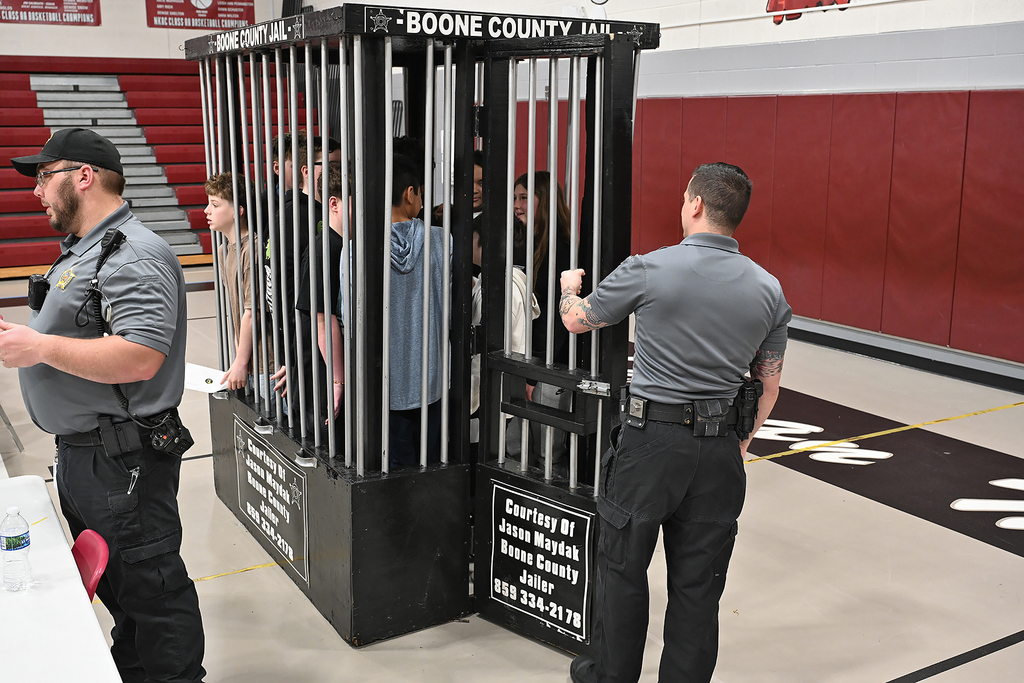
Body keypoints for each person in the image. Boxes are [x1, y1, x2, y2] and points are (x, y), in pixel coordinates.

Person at [559, 163, 791, 683]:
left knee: (622, 571)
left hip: (650, 446)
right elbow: (768, 385)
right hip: (720, 452)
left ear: (694, 205)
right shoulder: (770, 290)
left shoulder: (650, 268)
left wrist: (569, 286)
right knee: (699, 586)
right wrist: (739, 442)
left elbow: (577, 320)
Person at [0, 128, 206, 682]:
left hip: (122, 459)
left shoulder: (132, 254)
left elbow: (140, 356)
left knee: (152, 589)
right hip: (90, 457)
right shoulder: (89, 249)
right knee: (123, 590)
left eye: (44, 177)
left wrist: (37, 346)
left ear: (83, 176)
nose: (38, 192)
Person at [512, 170, 573, 476]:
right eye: (515, 197)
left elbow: (556, 320)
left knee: (549, 454)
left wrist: (533, 374)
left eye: (524, 197)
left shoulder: (560, 249)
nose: (516, 204)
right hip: (527, 363)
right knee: (520, 450)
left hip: (548, 366)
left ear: (545, 200)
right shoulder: (526, 242)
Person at [388, 153, 446, 468]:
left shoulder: (360, 246)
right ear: (411, 193)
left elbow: (346, 313)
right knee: (431, 466)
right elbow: (449, 306)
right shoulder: (441, 240)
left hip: (384, 381)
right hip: (432, 377)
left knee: (393, 471)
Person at [469, 212, 539, 451]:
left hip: (486, 391)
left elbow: (491, 339)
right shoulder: (504, 278)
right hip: (496, 387)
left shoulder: (501, 286)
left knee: (482, 453)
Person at [205, 172, 269, 392]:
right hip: (246, 362)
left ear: (237, 211)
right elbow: (236, 310)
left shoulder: (253, 249)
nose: (207, 211)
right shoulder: (224, 252)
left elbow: (253, 312)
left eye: (215, 204)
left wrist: (241, 363)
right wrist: (239, 360)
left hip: (264, 366)